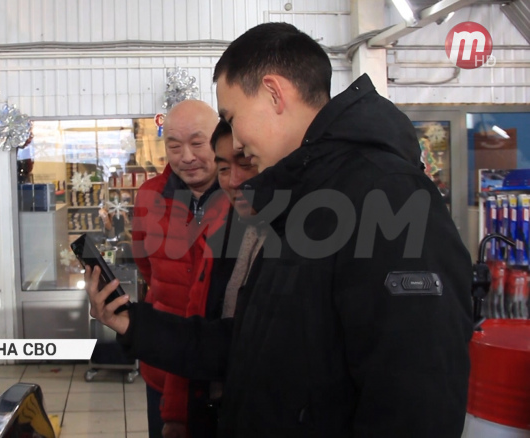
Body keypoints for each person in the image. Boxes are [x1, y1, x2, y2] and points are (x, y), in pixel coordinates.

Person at [88, 22, 473, 437]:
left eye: (232, 118)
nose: (235, 142)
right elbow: (252, 345)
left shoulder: (387, 195)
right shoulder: (302, 198)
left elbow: (417, 402)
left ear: (274, 93)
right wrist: (135, 324)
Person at [130, 99, 229, 438]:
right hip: (163, 363)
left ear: (219, 141)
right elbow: (145, 264)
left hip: (219, 367)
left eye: (198, 144)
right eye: (174, 146)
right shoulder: (149, 196)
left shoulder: (240, 197)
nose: (186, 157)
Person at [185, 120, 261, 438]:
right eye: (224, 169)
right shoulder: (229, 221)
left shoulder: (294, 235)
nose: (233, 181)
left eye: (246, 163)